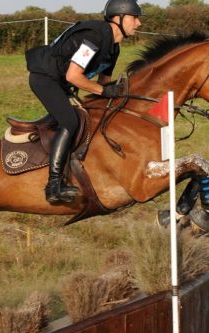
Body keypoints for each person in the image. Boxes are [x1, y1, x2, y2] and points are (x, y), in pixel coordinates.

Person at [25, 0, 142, 204]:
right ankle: (53, 186)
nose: (139, 23)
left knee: (89, 114)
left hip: (61, 80)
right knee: (70, 122)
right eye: (135, 17)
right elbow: (73, 76)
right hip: (45, 78)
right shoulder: (94, 38)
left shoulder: (114, 48)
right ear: (119, 18)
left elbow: (103, 83)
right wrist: (105, 91)